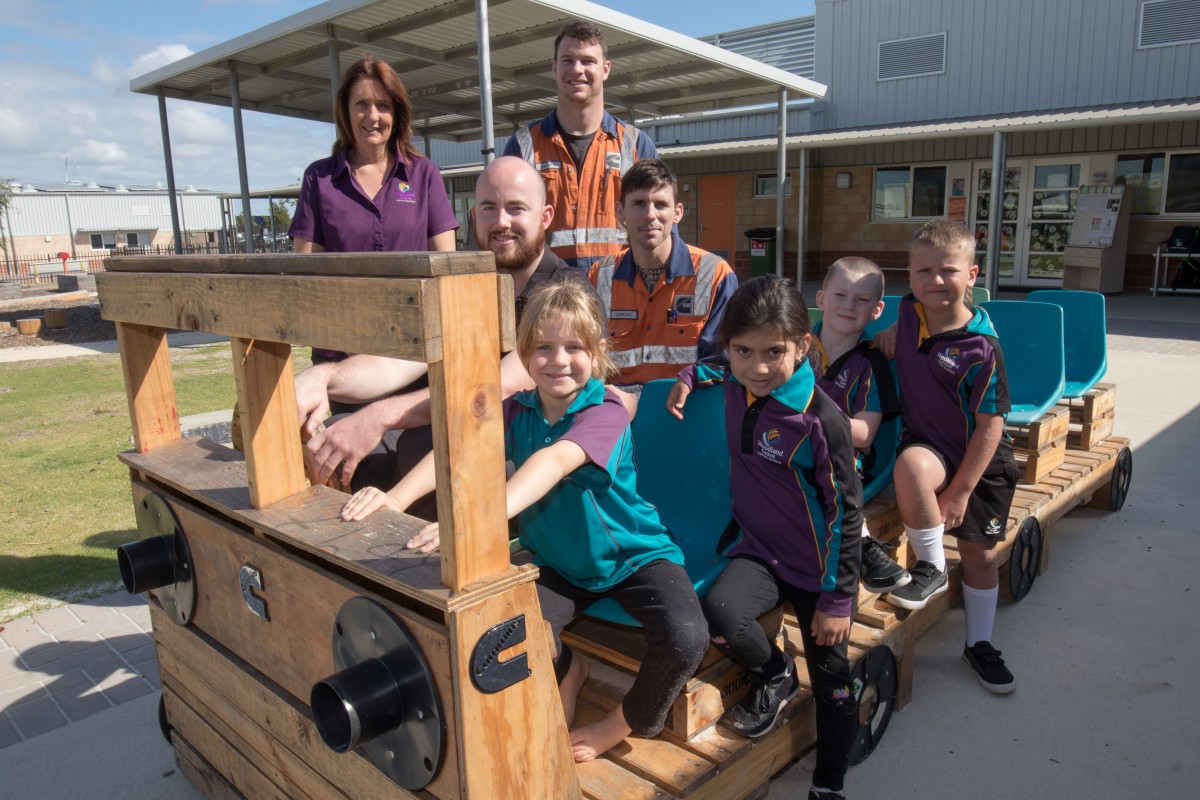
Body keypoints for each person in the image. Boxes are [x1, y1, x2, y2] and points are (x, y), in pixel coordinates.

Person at [340, 278, 708, 762]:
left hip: (633, 557)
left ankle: (620, 723)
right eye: (544, 347)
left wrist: (477, 519)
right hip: (559, 561)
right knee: (506, 629)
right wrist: (394, 498)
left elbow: (553, 462)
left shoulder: (606, 411)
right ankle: (569, 670)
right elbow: (459, 451)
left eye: (574, 347)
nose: (558, 360)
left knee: (687, 638)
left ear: (598, 352)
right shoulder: (517, 409)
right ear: (524, 354)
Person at [667, 276, 861, 800]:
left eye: (774, 352)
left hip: (819, 571)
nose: (757, 367)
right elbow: (713, 368)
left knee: (834, 686)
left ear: (802, 345)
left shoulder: (821, 420)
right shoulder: (734, 380)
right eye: (743, 350)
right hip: (760, 553)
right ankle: (777, 673)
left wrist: (837, 600)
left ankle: (829, 783)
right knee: (719, 613)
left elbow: (847, 512)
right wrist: (688, 375)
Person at [295, 156, 588, 497]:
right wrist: (324, 377)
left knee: (420, 445)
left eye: (516, 208)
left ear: (545, 217)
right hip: (464, 433)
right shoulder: (469, 287)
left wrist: (378, 416)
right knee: (336, 436)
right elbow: (398, 362)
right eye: (489, 209)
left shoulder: (567, 295)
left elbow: (498, 387)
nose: (501, 222)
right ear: (474, 216)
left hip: (536, 458)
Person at [874, 219, 1019, 694]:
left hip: (981, 458)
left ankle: (980, 644)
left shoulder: (983, 348)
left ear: (972, 275)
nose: (935, 280)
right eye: (924, 271)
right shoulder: (908, 312)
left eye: (949, 270)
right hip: (931, 446)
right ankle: (932, 569)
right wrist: (891, 331)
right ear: (910, 276)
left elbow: (991, 426)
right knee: (911, 466)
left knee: (980, 554)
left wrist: (960, 492)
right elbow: (905, 325)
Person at [289, 55, 459, 371]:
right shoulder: (319, 178)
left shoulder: (424, 174)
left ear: (396, 113)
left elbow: (446, 268)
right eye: (361, 104)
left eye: (383, 105)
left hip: (411, 354)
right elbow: (306, 273)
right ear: (345, 111)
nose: (373, 116)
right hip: (341, 353)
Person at [503, 20, 658, 271]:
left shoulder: (636, 145)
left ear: (606, 69)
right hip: (545, 290)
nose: (577, 69)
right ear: (554, 67)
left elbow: (660, 232)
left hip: (618, 290)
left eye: (587, 61)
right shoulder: (523, 146)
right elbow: (506, 231)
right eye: (567, 60)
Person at [588, 159, 737, 389]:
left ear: (677, 213)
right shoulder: (599, 276)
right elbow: (587, 358)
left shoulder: (715, 275)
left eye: (660, 204)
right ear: (620, 212)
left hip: (687, 407)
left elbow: (723, 363)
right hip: (617, 407)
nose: (650, 215)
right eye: (639, 203)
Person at [812, 257, 910, 594]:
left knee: (820, 465)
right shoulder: (793, 346)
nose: (849, 305)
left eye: (862, 299)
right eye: (840, 295)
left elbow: (865, 434)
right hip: (782, 447)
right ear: (821, 299)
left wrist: (809, 421)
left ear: (877, 310)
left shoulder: (871, 362)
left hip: (843, 462)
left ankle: (862, 544)